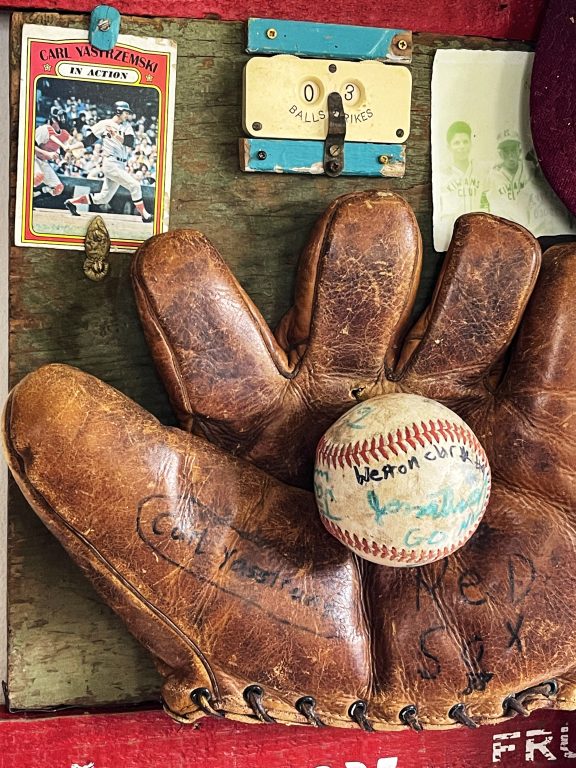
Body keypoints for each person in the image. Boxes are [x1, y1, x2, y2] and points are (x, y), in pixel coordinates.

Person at [64, 100, 153, 223]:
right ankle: (144, 215)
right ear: (118, 111)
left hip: (121, 164)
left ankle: (71, 202)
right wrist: (71, 147)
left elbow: (130, 142)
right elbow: (88, 141)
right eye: (125, 112)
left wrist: (116, 135)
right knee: (135, 185)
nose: (127, 115)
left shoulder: (126, 126)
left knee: (103, 198)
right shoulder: (104, 124)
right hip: (110, 162)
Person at [436, 121, 489, 245]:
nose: (461, 147)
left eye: (465, 142)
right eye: (456, 143)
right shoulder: (443, 174)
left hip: (478, 232)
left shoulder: (481, 171)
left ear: (470, 144)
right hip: (451, 235)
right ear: (449, 146)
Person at [33, 106, 84, 199]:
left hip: (43, 162)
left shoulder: (64, 134)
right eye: (59, 119)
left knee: (58, 188)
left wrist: (69, 156)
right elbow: (29, 147)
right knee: (38, 177)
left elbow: (66, 150)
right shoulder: (44, 129)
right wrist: (47, 154)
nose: (62, 121)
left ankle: (35, 195)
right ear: (53, 119)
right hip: (32, 158)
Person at [484, 129, 528, 221]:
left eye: (513, 149)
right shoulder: (492, 177)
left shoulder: (529, 171)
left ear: (519, 150)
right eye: (506, 151)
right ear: (500, 154)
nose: (510, 155)